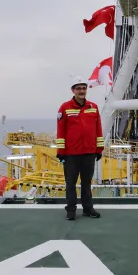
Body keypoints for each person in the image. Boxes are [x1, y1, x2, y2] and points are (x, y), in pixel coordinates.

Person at [56, 77, 104, 220]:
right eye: (78, 88)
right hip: (71, 154)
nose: (82, 91)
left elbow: (98, 129)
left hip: (89, 152)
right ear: (73, 90)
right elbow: (61, 131)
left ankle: (88, 209)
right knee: (70, 184)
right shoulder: (65, 108)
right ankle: (71, 211)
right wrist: (61, 152)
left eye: (84, 88)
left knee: (86, 183)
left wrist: (99, 148)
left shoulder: (93, 107)